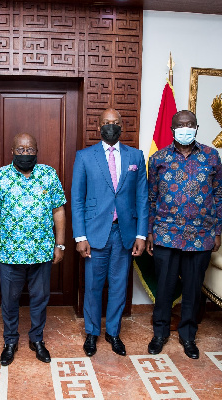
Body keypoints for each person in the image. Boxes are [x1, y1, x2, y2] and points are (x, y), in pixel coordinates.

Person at [146, 110, 222, 360]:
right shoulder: (158, 158)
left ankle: (188, 336)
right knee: (165, 288)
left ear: (197, 127)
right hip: (165, 234)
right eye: (180, 125)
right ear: (171, 129)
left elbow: (220, 195)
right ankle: (160, 333)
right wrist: (149, 231)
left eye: (190, 124)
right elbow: (150, 197)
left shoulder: (212, 156)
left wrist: (217, 230)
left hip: (201, 234)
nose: (185, 128)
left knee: (192, 289)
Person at [0, 133, 66, 366]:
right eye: (21, 149)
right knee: (10, 300)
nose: (25, 154)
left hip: (42, 252)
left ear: (36, 151)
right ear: (12, 151)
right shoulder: (0, 177)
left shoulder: (49, 174)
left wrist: (60, 244)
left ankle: (37, 339)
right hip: (10, 253)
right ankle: (10, 341)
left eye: (30, 150)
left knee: (40, 298)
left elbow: (58, 211)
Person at [71, 108, 148, 357]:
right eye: (106, 122)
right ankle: (92, 332)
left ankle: (113, 332)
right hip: (95, 233)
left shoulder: (135, 156)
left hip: (124, 232)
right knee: (93, 285)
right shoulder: (84, 157)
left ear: (122, 126)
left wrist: (141, 235)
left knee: (118, 286)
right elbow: (77, 199)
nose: (110, 126)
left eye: (115, 122)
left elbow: (142, 198)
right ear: (98, 127)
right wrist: (80, 236)